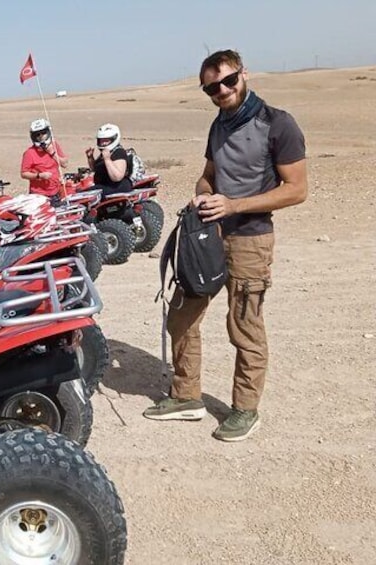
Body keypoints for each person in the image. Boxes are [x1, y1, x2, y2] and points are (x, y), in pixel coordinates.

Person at [143, 49, 308, 442]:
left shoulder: (278, 124)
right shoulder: (219, 126)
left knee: (244, 325)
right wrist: (202, 196)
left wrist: (235, 205)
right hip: (210, 237)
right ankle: (186, 396)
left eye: (228, 81)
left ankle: (245, 409)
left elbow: (297, 190)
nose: (222, 91)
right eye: (212, 88)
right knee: (181, 315)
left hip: (251, 240)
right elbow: (207, 177)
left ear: (243, 74)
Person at [20, 118, 69, 203]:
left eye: (43, 133)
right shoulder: (29, 153)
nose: (41, 136)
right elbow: (24, 173)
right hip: (39, 195)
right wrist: (39, 176)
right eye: (38, 134)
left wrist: (52, 153)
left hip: (56, 191)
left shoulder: (54, 145)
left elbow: (64, 164)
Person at [84, 123, 133, 197]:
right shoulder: (106, 153)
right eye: (101, 141)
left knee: (83, 195)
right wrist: (90, 158)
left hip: (116, 187)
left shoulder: (118, 152)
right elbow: (96, 169)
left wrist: (107, 160)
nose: (103, 143)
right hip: (104, 186)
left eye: (106, 140)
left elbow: (117, 177)